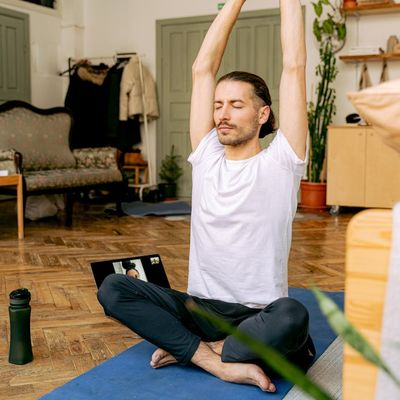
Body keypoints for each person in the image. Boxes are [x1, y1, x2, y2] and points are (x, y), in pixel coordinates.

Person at [98, 0, 313, 393]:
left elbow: (295, 66)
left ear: (263, 114)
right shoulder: (208, 156)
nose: (222, 114)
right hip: (199, 310)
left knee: (292, 315)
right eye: (218, 105)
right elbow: (202, 69)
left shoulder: (283, 160)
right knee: (113, 288)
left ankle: (203, 350)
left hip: (258, 317)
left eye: (235, 104)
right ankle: (221, 362)